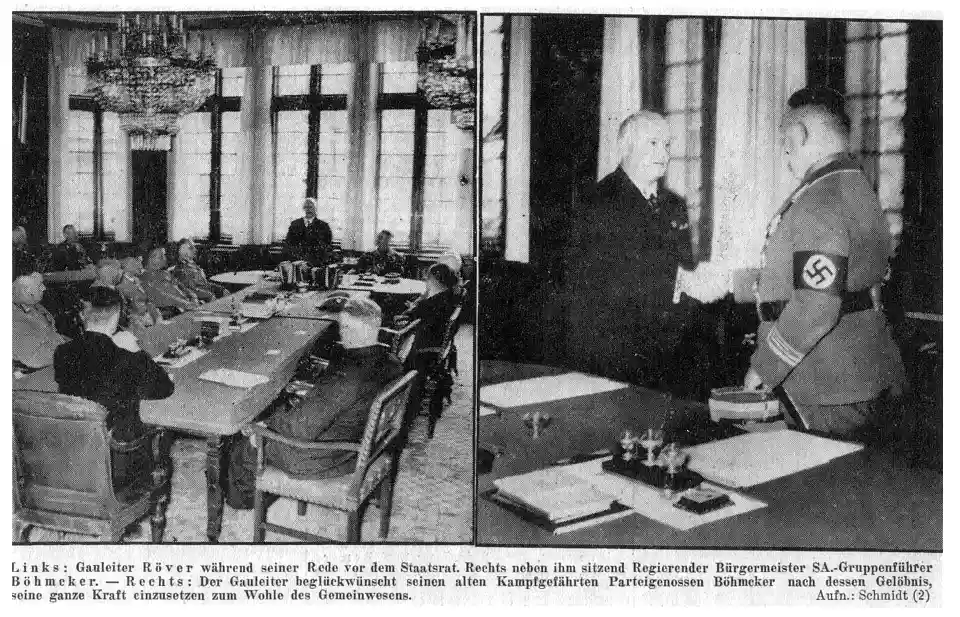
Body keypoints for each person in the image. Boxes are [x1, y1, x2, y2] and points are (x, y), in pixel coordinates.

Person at [743, 86, 906, 440]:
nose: (785, 152)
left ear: (800, 136)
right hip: (860, 371)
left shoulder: (819, 199)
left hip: (824, 381)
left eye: (786, 140)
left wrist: (765, 368)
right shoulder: (857, 187)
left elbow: (816, 306)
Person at [564, 110, 704, 394]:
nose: (663, 154)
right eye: (653, 144)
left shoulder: (674, 205)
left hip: (671, 351)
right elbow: (591, 289)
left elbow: (684, 271)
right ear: (625, 148)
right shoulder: (598, 202)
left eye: (667, 145)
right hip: (618, 355)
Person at [227, 296, 405, 509]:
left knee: (244, 444)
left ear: (346, 328)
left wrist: (264, 423)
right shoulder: (393, 362)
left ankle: (246, 501)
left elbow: (298, 428)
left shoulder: (347, 379)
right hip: (356, 445)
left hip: (318, 457)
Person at [54, 287, 174, 487]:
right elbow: (164, 388)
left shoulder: (62, 352)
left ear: (84, 315)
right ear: (116, 317)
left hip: (75, 452)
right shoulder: (126, 357)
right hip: (118, 463)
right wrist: (136, 351)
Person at [13, 272, 67, 371]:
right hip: (37, 364)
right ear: (27, 290)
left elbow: (50, 332)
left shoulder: (33, 306)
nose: (44, 288)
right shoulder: (15, 316)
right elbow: (31, 357)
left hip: (53, 352)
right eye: (40, 285)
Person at [140, 247, 200, 318]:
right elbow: (162, 294)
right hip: (170, 311)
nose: (164, 259)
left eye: (164, 255)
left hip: (185, 306)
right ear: (150, 259)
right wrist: (184, 303)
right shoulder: (145, 277)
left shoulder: (165, 273)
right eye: (160, 257)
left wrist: (192, 295)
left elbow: (181, 286)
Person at [285, 198, 333, 268]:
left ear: (315, 209)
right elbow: (289, 244)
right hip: (297, 262)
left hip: (316, 264)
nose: (308, 210)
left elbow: (326, 246)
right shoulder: (294, 224)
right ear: (303, 209)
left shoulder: (324, 226)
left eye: (310, 207)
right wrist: (298, 260)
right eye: (306, 207)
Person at [117, 256, 163, 328]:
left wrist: (155, 315)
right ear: (128, 268)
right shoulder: (122, 286)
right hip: (136, 322)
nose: (139, 266)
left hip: (149, 315)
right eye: (134, 264)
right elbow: (125, 311)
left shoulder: (137, 280)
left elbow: (147, 299)